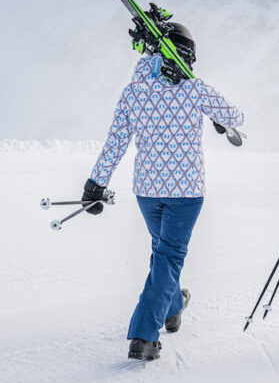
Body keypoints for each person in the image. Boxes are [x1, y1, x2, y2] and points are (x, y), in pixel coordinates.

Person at [82, 22, 244, 360]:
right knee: (169, 257)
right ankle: (144, 335)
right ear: (186, 54)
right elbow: (236, 116)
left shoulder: (134, 91)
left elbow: (116, 142)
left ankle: (172, 306)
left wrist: (95, 184)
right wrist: (216, 116)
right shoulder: (195, 88)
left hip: (148, 192)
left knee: (162, 254)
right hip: (186, 192)